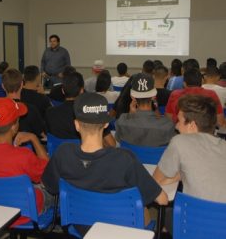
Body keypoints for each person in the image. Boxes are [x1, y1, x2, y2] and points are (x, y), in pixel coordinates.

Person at [42, 92, 168, 234]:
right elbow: (162, 200)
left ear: (77, 125)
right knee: (143, 208)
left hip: (81, 228)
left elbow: (52, 187)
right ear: (106, 124)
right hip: (121, 230)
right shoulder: (124, 159)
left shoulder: (62, 153)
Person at [0, 97, 51, 225]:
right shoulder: (23, 155)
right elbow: (49, 173)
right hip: (23, 214)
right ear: (14, 127)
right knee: (50, 190)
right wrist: (34, 139)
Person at [154, 94, 226, 203]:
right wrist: (182, 175)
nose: (176, 126)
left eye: (179, 121)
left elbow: (155, 181)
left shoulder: (179, 142)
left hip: (192, 218)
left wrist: (180, 175)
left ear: (192, 126)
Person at [115, 73, 175, 147]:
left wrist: (130, 116)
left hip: (130, 158)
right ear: (153, 96)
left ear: (133, 97)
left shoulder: (122, 121)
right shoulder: (167, 125)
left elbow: (118, 140)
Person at [3, 68, 46, 138]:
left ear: (3, 86)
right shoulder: (31, 110)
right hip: (26, 146)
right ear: (22, 84)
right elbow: (43, 134)